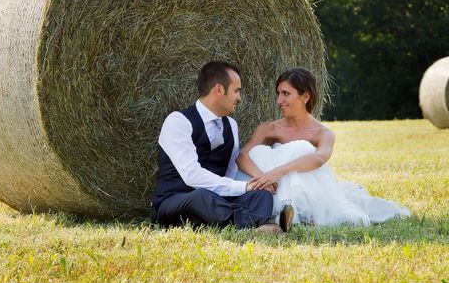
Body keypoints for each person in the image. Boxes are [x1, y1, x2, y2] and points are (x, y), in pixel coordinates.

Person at [237, 67, 411, 226]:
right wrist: (263, 178)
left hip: (307, 187)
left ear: (305, 96)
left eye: (285, 94)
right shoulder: (269, 128)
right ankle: (288, 211)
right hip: (273, 187)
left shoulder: (323, 133)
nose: (279, 100)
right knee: (259, 152)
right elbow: (243, 155)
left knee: (302, 150)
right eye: (278, 94)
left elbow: (319, 159)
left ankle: (291, 211)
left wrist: (278, 172)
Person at [151, 61, 294, 234]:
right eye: (236, 91)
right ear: (219, 90)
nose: (239, 98)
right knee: (201, 197)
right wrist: (244, 186)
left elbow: (229, 171)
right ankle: (261, 222)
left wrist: (253, 187)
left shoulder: (231, 125)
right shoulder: (178, 121)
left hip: (215, 200)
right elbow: (192, 176)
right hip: (173, 202)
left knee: (261, 194)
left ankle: (255, 225)